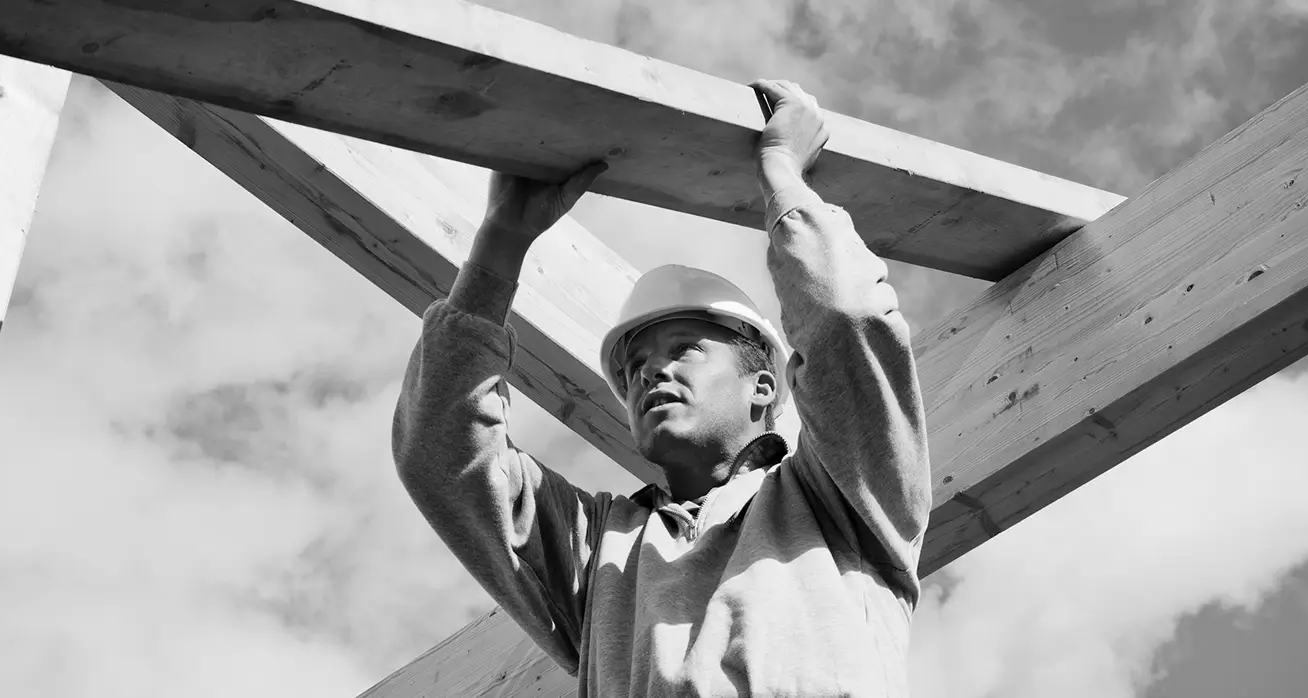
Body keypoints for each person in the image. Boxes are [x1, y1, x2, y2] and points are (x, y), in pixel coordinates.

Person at [392, 79, 931, 696]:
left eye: (685, 349)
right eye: (634, 366)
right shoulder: (599, 551)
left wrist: (783, 175)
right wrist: (500, 244)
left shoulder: (844, 496)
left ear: (763, 387)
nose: (649, 372)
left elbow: (845, 318)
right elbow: (442, 452)